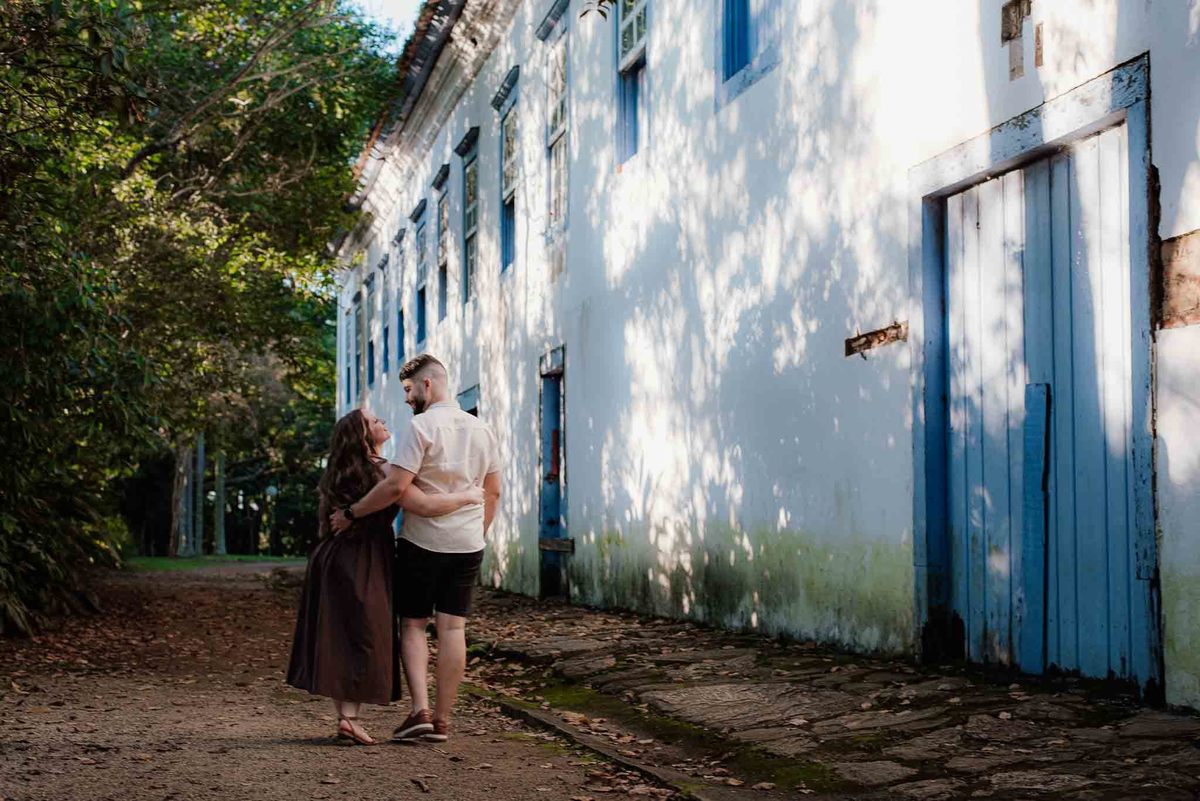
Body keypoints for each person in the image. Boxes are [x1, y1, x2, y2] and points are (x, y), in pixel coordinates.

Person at [329, 354, 501, 743]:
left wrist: (352, 513)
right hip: (468, 543)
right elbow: (493, 491)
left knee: (414, 625)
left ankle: (419, 711)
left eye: (408, 390)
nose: (407, 399)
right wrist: (478, 532)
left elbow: (395, 486)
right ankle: (442, 721)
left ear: (427, 384)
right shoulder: (483, 430)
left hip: (422, 541)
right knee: (454, 627)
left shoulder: (421, 427)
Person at [287, 409, 483, 746]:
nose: (383, 423)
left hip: (330, 557)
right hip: (364, 557)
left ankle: (346, 718)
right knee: (365, 634)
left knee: (339, 634)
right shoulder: (388, 471)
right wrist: (468, 496)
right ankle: (350, 719)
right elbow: (424, 505)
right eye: (375, 421)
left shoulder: (337, 471)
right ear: (363, 435)